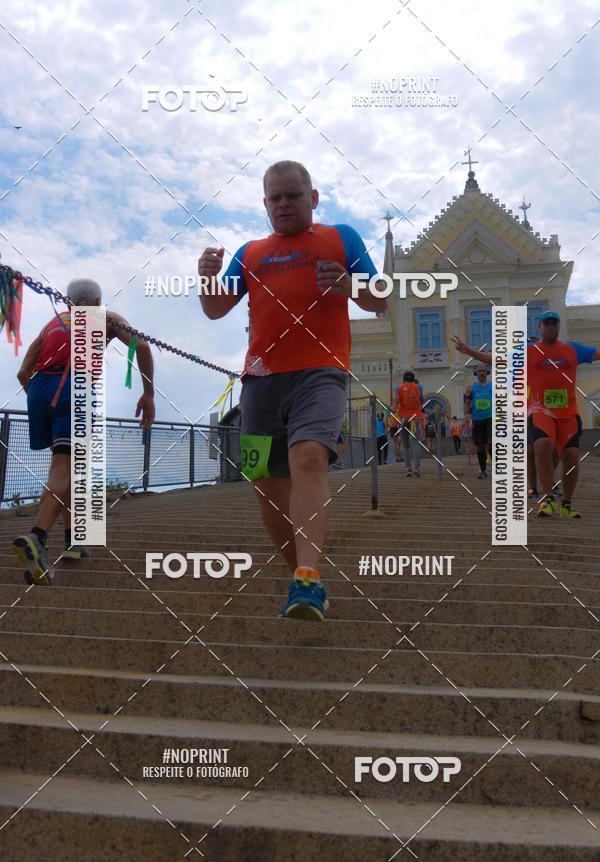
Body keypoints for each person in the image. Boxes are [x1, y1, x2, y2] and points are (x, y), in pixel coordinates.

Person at [198, 160, 386, 619]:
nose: (283, 204)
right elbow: (215, 309)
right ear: (265, 203)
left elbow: (381, 298)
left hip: (320, 371)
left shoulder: (340, 238)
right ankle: (302, 581)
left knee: (308, 457)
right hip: (260, 381)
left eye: (292, 196)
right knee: (264, 483)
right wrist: (205, 276)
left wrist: (350, 284)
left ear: (313, 197)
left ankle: (307, 575)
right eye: (274, 198)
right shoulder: (251, 252)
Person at [11, 279, 155, 585]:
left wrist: (46, 404)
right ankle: (37, 536)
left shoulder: (53, 322)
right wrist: (149, 395)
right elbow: (141, 345)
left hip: (39, 391)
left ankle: (73, 541)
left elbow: (23, 371)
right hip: (75, 389)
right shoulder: (106, 317)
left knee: (70, 469)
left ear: (68, 302)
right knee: (66, 469)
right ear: (99, 300)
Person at [453, 312, 600, 517]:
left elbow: (597, 354)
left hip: (567, 413)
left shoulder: (572, 349)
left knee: (571, 456)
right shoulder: (528, 352)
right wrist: (468, 350)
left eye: (554, 324)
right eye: (546, 324)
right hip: (540, 410)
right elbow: (497, 360)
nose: (551, 327)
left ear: (558, 327)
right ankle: (547, 499)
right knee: (541, 445)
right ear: (539, 328)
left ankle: (566, 503)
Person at [463, 362, 493, 478]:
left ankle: (496, 463)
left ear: (487, 372)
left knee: (492, 441)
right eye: (479, 371)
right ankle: (483, 470)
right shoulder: (471, 388)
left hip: (491, 418)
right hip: (477, 419)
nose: (481, 373)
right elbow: (467, 403)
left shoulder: (492, 386)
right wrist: (466, 415)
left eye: (483, 370)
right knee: (480, 446)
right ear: (476, 373)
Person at [394, 370, 425, 477]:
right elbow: (422, 400)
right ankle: (417, 467)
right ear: (413, 379)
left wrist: (392, 411)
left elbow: (396, 402)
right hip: (415, 418)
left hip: (403, 418)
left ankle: (408, 468)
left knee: (405, 443)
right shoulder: (418, 387)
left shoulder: (400, 388)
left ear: (404, 379)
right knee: (415, 442)